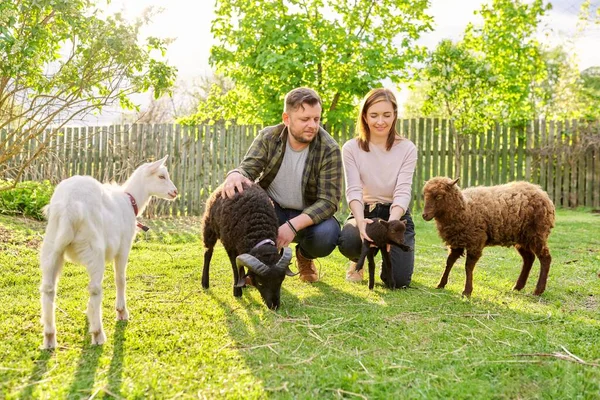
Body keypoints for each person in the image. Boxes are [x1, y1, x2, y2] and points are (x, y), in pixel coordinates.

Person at [222, 87, 343, 282]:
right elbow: (249, 168)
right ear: (287, 119)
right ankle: (260, 264)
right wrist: (236, 174)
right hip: (273, 209)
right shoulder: (269, 137)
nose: (312, 125)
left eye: (316, 119)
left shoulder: (329, 149)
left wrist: (292, 226)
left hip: (307, 215)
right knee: (248, 215)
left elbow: (329, 201)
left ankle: (304, 256)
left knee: (327, 235)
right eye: (305, 119)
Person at [337, 88, 417, 287]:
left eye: (386, 115)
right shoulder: (351, 148)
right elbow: (353, 190)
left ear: (395, 115)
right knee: (349, 240)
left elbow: (403, 191)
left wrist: (391, 226)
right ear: (364, 116)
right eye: (374, 115)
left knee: (398, 282)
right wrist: (360, 221)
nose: (380, 121)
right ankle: (359, 259)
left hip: (396, 216)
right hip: (366, 212)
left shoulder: (407, 148)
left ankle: (386, 261)